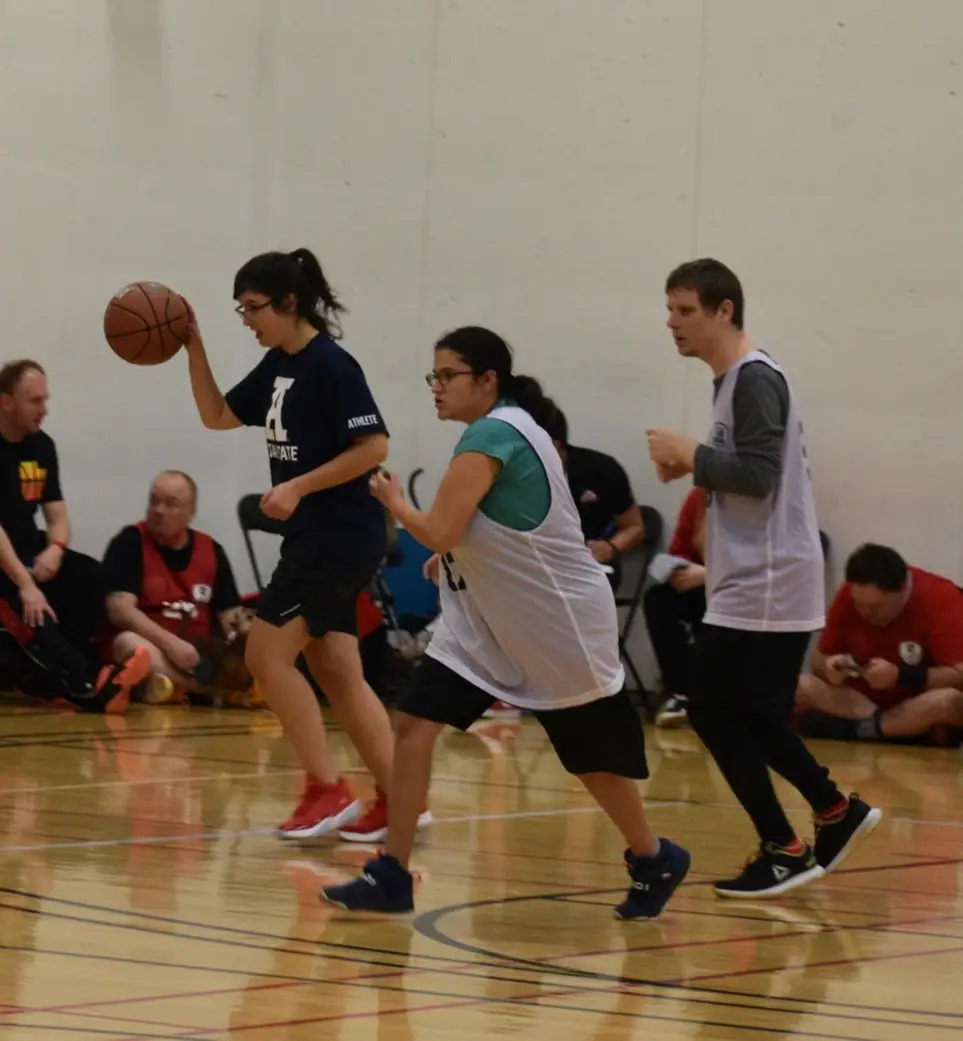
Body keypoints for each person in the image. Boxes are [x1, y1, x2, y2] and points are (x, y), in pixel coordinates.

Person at [322, 325, 690, 918]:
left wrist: (394, 501)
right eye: (433, 376)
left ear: (487, 380)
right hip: (491, 623)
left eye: (448, 376)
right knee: (414, 723)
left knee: (591, 760)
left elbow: (440, 528)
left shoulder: (496, 433)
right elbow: (477, 531)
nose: (436, 388)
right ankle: (392, 872)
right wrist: (455, 555)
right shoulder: (505, 429)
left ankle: (653, 857)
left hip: (556, 622)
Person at [645, 258, 881, 898]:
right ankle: (832, 813)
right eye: (669, 310)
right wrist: (695, 464)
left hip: (769, 579)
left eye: (685, 310)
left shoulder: (752, 379)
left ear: (725, 311)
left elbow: (757, 474)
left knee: (717, 711)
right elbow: (745, 472)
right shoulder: (734, 382)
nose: (672, 323)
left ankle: (789, 843)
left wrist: (690, 453)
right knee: (744, 713)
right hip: (756, 576)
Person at [181, 247, 413, 842]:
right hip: (319, 534)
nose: (248, 320)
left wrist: (298, 487)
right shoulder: (279, 365)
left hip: (337, 535)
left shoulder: (331, 365)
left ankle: (326, 788)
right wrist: (191, 345)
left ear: (289, 303)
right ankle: (400, 798)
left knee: (264, 658)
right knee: (336, 670)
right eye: (239, 310)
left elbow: (374, 448)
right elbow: (215, 415)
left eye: (254, 308)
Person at [0, 359, 149, 712]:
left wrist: (57, 549)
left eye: (45, 400)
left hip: (28, 548)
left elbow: (56, 512)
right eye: (35, 401)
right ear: (7, 402)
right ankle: (85, 685)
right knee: (30, 606)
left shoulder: (41, 446)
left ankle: (62, 672)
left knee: (92, 576)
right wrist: (26, 585)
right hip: (4, 559)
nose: (44, 410)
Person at [102, 470, 248, 704]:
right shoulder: (129, 542)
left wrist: (242, 633)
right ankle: (206, 691)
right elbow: (120, 611)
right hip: (155, 648)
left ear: (191, 513)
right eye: (154, 501)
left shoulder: (212, 550)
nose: (159, 510)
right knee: (127, 642)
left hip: (200, 657)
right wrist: (172, 645)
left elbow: (229, 615)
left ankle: (168, 687)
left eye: (171, 504)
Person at [796, 543, 963, 745]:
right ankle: (881, 729)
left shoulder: (941, 597)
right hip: (861, 702)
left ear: (903, 589)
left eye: (877, 606)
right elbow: (818, 660)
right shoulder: (848, 594)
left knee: (948, 701)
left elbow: (958, 675)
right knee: (799, 685)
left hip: (915, 704)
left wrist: (900, 677)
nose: (867, 613)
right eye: (860, 606)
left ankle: (860, 730)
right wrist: (830, 668)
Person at [541, 406, 644, 589]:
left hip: (590, 567)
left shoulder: (601, 469)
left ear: (553, 445)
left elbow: (634, 527)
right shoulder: (508, 475)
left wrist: (611, 547)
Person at [645, 487, 707, 728]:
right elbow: (681, 546)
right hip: (701, 579)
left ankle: (711, 695)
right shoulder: (699, 497)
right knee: (658, 599)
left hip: (745, 586)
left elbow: (764, 560)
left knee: (712, 604)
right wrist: (679, 570)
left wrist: (713, 574)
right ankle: (680, 693)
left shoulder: (759, 498)